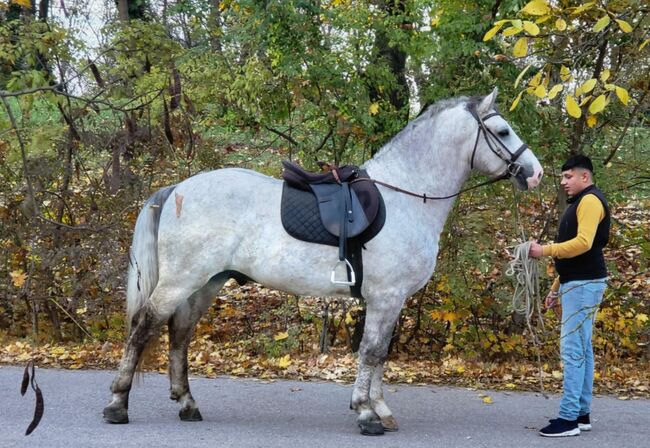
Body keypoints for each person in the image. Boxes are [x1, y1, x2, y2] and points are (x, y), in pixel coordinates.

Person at [529, 154, 610, 437]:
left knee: (573, 350)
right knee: (583, 350)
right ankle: (581, 414)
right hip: (579, 283)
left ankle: (568, 420)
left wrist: (544, 250)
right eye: (563, 177)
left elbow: (582, 244)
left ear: (584, 177)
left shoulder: (590, 201)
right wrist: (555, 289)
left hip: (584, 285)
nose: (563, 182)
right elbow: (573, 257)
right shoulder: (582, 202)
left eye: (568, 177)